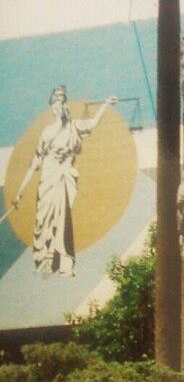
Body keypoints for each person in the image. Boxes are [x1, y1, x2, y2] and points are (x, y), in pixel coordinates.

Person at [13, 86, 117, 277]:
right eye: (55, 102)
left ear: (65, 104)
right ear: (52, 107)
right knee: (44, 222)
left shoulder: (74, 126)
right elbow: (35, 163)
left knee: (62, 218)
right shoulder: (47, 132)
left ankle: (63, 261)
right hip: (47, 181)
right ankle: (45, 260)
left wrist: (105, 104)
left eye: (61, 101)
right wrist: (20, 190)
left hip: (64, 178)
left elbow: (93, 123)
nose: (58, 105)